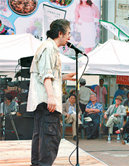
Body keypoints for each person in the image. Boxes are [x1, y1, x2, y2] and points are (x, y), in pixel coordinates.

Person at [27, 19, 75, 166]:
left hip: (42, 103)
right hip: (47, 103)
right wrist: (51, 97)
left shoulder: (48, 47)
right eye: (68, 33)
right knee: (49, 139)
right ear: (60, 33)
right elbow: (46, 75)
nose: (69, 37)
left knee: (41, 138)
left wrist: (65, 77)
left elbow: (49, 75)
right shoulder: (49, 48)